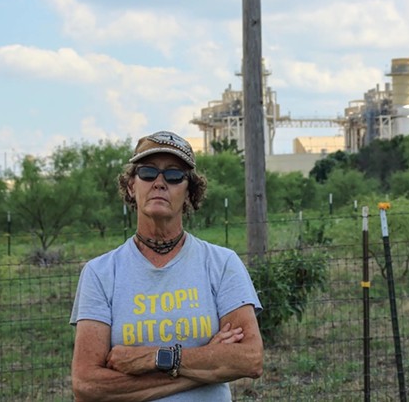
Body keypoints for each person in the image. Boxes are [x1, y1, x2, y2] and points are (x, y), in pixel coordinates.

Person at [70, 130, 264, 401]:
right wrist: (207, 364)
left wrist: (153, 358)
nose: (159, 183)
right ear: (130, 186)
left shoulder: (221, 263)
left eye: (174, 176)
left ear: (189, 193)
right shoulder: (101, 273)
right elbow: (87, 384)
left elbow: (249, 359)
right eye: (148, 173)